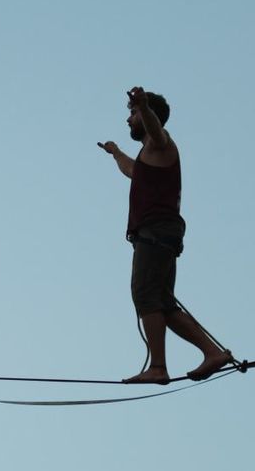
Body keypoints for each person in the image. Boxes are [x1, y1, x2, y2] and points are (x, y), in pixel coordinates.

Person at [98, 86, 233, 384]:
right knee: (162, 304)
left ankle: (158, 367)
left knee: (146, 296)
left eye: (131, 114)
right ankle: (213, 353)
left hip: (156, 232)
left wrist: (144, 106)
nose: (129, 119)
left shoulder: (162, 143)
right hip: (160, 233)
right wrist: (115, 152)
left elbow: (155, 131)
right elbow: (133, 171)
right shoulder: (149, 157)